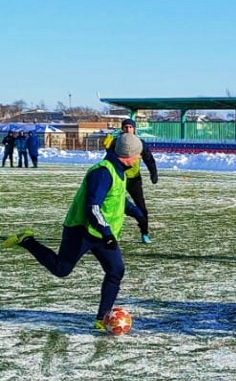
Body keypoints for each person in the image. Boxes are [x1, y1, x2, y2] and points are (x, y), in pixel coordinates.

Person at [1, 133, 144, 330]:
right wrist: (107, 233)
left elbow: (117, 199)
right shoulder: (102, 172)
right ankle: (27, 240)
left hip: (101, 233)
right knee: (61, 269)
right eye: (138, 155)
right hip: (81, 230)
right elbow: (92, 207)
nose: (139, 158)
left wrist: (138, 214)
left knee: (116, 270)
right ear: (128, 154)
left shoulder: (119, 171)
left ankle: (102, 319)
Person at [103, 119, 158, 244]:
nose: (128, 130)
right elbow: (109, 159)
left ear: (134, 129)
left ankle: (144, 233)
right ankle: (107, 233)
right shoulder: (116, 142)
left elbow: (149, 159)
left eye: (130, 127)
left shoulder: (140, 143)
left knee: (141, 207)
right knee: (111, 205)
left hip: (134, 180)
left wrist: (153, 173)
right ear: (122, 129)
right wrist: (107, 147)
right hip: (118, 178)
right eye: (126, 127)